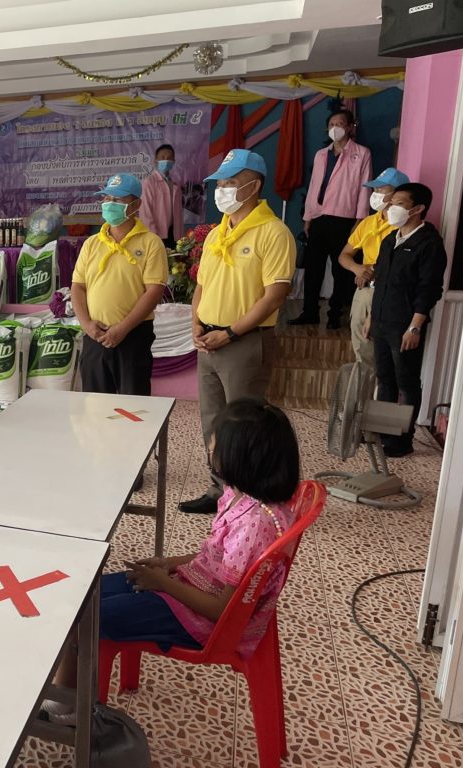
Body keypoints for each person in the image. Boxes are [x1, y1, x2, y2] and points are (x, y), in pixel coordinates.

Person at [44, 398, 301, 725]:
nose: (210, 448)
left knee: (82, 616)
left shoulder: (255, 525)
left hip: (202, 619)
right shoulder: (242, 496)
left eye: (216, 445)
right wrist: (171, 564)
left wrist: (163, 583)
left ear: (241, 458)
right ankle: (66, 697)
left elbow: (222, 610)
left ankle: (70, 710)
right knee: (83, 593)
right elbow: (216, 556)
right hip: (189, 587)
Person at [179, 150, 296, 515]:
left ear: (254, 186)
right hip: (208, 341)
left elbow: (275, 294)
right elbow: (201, 285)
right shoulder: (217, 233)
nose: (222, 190)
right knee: (213, 421)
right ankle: (220, 491)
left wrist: (229, 333)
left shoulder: (273, 232)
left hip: (244, 342)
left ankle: (247, 499)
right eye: (220, 183)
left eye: (230, 183)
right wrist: (196, 323)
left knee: (245, 425)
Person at [72, 173, 167, 397]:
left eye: (117, 200)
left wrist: (122, 329)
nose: (109, 204)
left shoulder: (151, 243)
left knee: (133, 406)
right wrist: (87, 325)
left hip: (133, 336)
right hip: (95, 335)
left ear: (136, 205)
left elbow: (154, 291)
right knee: (94, 403)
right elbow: (78, 286)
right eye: (106, 198)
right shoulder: (91, 243)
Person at [370, 182, 447, 458]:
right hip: (382, 321)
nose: (391, 208)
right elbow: (381, 281)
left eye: (399, 203)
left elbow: (429, 289)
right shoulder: (390, 240)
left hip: (405, 326)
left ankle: (402, 440)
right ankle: (383, 432)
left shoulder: (429, 244)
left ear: (418, 209)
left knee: (406, 382)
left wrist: (415, 326)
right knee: (385, 379)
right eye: (391, 203)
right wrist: (372, 317)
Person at [291, 109, 372, 330]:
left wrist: (360, 221)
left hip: (345, 219)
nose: (336, 127)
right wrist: (308, 218)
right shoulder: (321, 154)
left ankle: (335, 313)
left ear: (350, 127)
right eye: (332, 124)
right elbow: (314, 186)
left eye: (340, 123)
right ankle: (309, 312)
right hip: (319, 217)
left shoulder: (361, 153)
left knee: (341, 270)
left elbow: (364, 188)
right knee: (313, 268)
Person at [337, 167, 409, 369]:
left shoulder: (403, 225)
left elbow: (401, 263)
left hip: (390, 292)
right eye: (374, 190)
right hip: (366, 288)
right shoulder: (368, 222)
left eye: (381, 189)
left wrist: (372, 271)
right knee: (362, 344)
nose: (375, 194)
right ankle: (365, 385)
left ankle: (381, 386)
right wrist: (358, 269)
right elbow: (344, 255)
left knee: (386, 352)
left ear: (397, 194)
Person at [140, 144, 185, 248]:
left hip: (174, 235)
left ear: (174, 161)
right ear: (155, 161)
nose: (166, 160)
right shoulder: (149, 183)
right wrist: (153, 237)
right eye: (163, 157)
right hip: (156, 235)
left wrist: (181, 236)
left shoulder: (174, 184)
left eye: (169, 158)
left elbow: (179, 214)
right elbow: (145, 213)